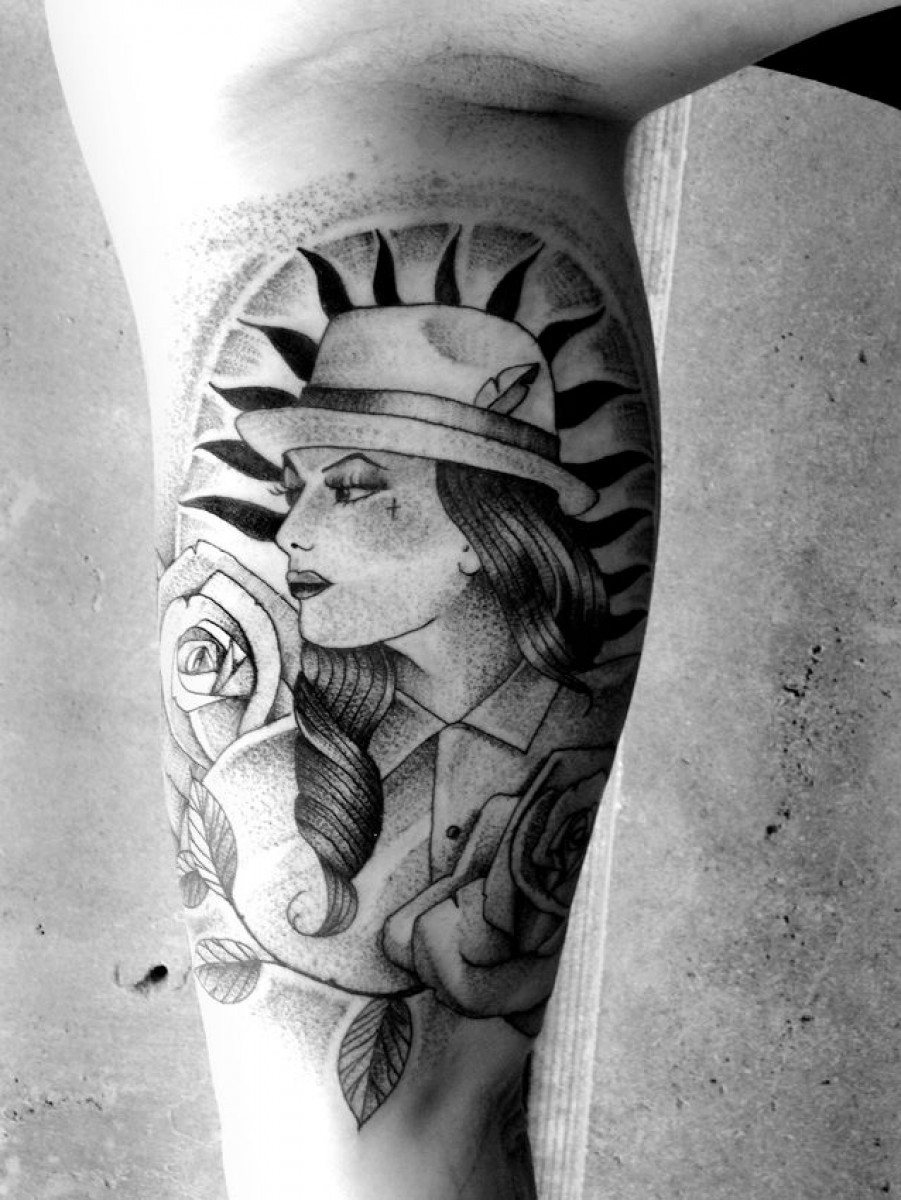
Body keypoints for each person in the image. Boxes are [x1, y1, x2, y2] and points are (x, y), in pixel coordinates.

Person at [43, 2, 899, 1197]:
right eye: (296, 487)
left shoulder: (241, 63)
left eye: (354, 485)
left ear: (486, 530)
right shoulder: (309, 782)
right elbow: (372, 1152)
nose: (289, 534)